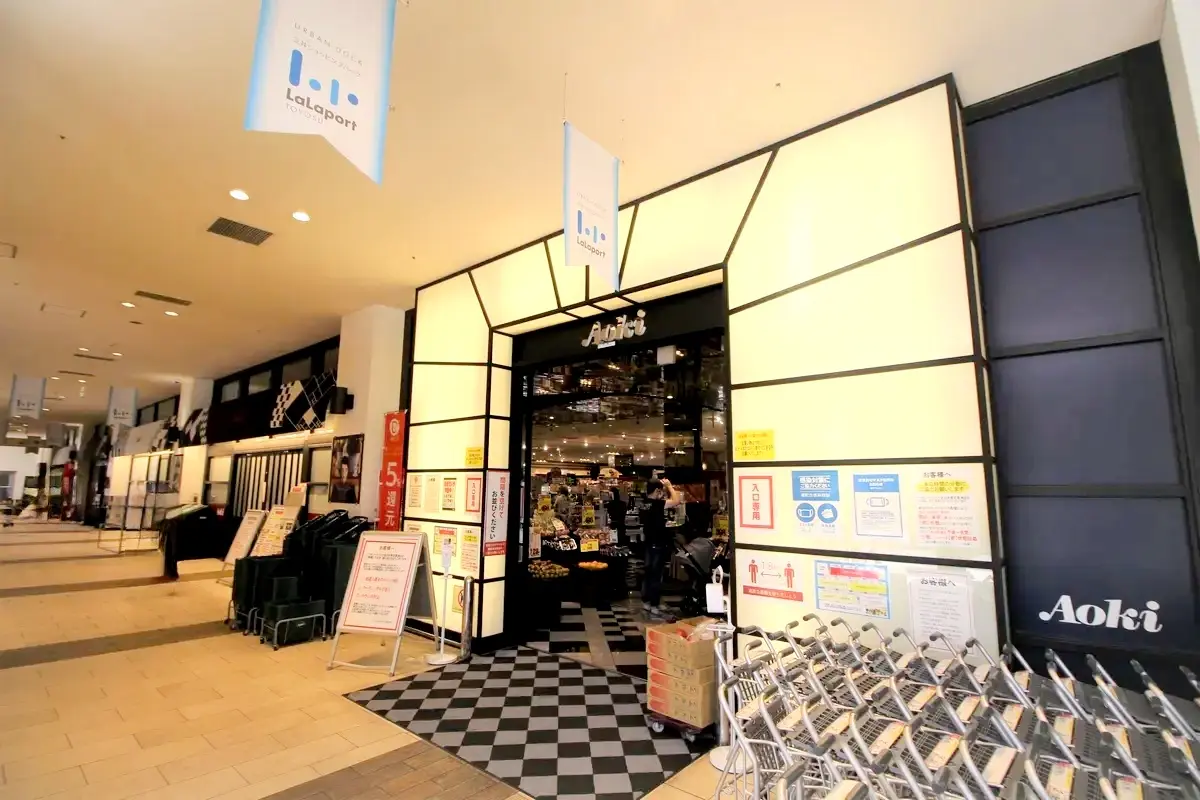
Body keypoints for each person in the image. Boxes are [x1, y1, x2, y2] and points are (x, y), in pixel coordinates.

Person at [640, 477, 681, 616]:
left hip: (648, 543)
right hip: (657, 543)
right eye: (661, 491)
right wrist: (669, 486)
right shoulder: (656, 504)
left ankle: (647, 602)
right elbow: (676, 501)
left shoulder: (643, 503)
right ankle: (654, 605)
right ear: (657, 490)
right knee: (656, 575)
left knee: (648, 573)